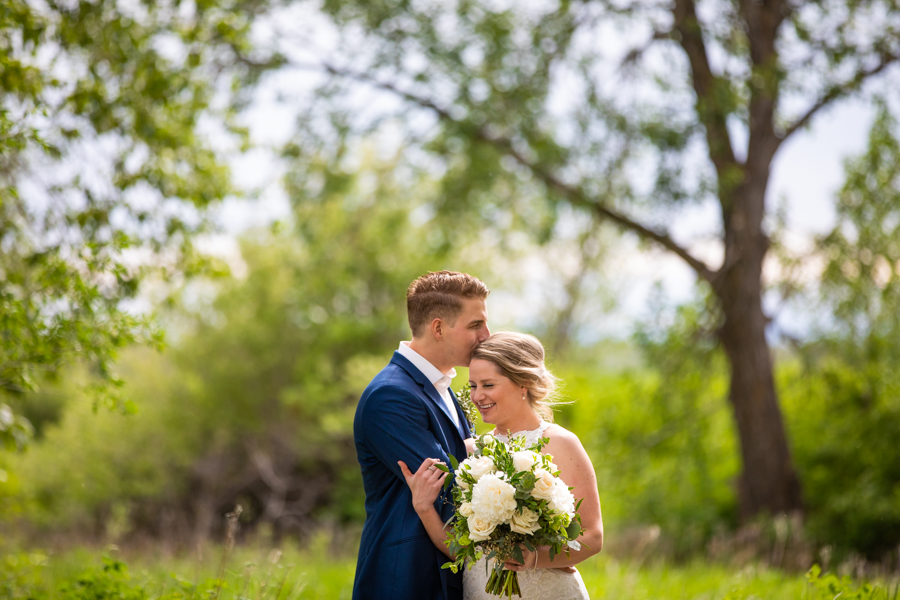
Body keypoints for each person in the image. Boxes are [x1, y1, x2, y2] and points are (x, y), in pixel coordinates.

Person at [399, 331, 604, 600]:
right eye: (473, 386)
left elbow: (593, 537)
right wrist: (424, 508)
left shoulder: (561, 443)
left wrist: (534, 558)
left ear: (524, 383)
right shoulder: (472, 452)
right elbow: (462, 551)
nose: (477, 396)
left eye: (488, 385)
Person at [352, 271, 491, 600]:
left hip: (449, 574)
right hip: (406, 578)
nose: (487, 335)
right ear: (439, 328)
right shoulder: (390, 395)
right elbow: (446, 484)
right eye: (475, 325)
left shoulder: (442, 387)